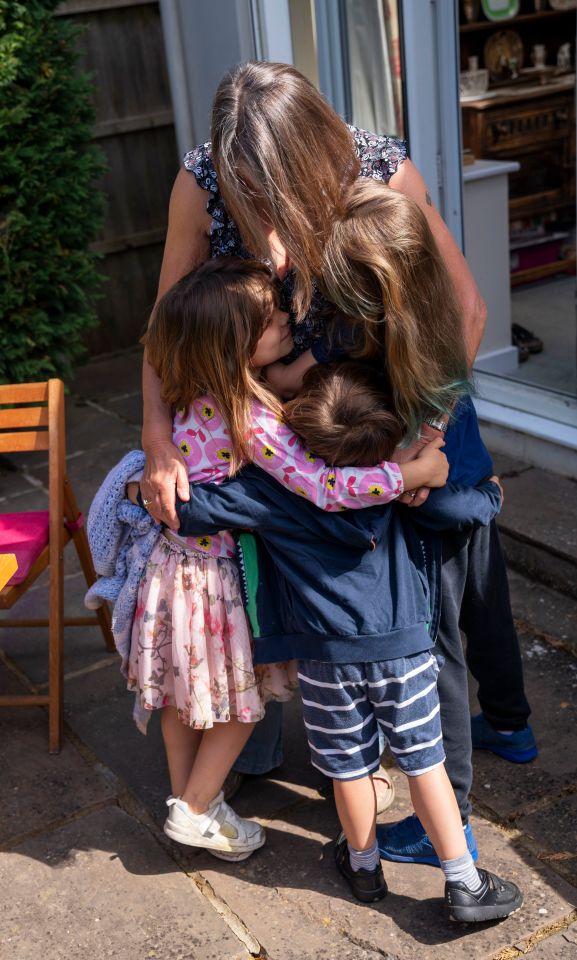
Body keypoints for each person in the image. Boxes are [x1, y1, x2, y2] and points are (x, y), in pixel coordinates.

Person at [139, 60, 534, 836]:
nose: (269, 230)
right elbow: (166, 327)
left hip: (410, 396)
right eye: (246, 199)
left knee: (439, 581)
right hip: (310, 425)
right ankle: (280, 751)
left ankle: (449, 769)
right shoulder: (200, 181)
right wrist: (157, 440)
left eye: (274, 198)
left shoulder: (379, 169)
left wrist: (419, 446)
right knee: (310, 571)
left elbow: (467, 311)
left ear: (312, 162)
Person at [173, 360, 522, 923]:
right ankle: (464, 882)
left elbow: (195, 510)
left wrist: (146, 485)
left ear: (297, 438)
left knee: (349, 767)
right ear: (385, 431)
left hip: (324, 660)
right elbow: (466, 509)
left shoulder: (273, 491)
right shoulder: (399, 484)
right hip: (404, 654)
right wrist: (485, 491)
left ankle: (363, 867)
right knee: (425, 763)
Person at [132, 256, 449, 861]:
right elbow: (323, 490)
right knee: (244, 698)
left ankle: (191, 800)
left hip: (169, 570)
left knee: (182, 694)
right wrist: (409, 470)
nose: (288, 322)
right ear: (234, 346)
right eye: (273, 321)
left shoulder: (187, 394)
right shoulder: (251, 421)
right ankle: (197, 808)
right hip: (222, 578)